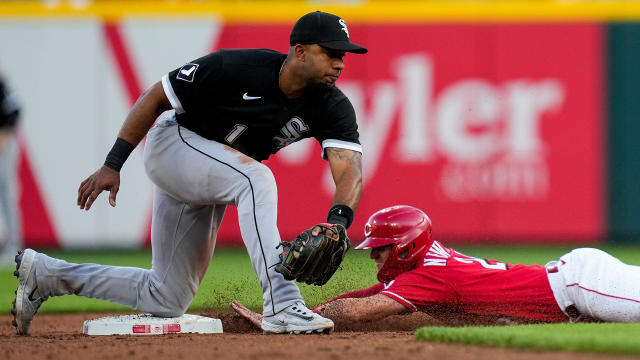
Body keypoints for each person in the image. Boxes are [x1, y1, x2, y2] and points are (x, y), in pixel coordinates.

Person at [12, 11, 367, 335]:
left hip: (211, 170)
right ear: (300, 52)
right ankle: (284, 304)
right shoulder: (235, 67)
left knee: (166, 296)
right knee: (256, 179)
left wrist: (338, 222)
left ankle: (46, 275)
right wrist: (113, 163)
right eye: (331, 53)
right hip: (175, 145)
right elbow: (156, 97)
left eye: (342, 56)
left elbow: (349, 170)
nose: (339, 64)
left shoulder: (332, 105)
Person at [233, 205, 640, 328]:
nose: (374, 255)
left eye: (382, 248)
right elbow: (364, 296)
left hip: (582, 286)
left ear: (408, 247)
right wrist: (300, 313)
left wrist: (295, 320)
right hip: (575, 285)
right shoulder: (426, 264)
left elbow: (357, 311)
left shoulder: (431, 275)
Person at [0, 74, 22, 268]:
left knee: (7, 193)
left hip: (3, 144)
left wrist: (5, 131)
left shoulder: (2, 85)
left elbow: (15, 110)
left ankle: (13, 245)